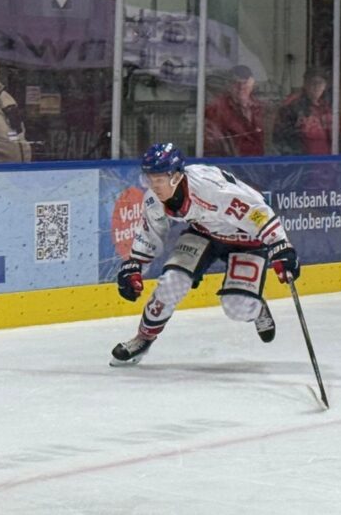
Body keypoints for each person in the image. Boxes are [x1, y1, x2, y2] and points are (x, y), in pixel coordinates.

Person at [110, 143, 300, 366]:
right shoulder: (154, 199)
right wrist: (134, 266)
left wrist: (281, 246)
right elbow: (152, 234)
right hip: (205, 233)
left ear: (176, 177)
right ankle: (143, 338)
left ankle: (256, 308)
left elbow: (258, 212)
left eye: (159, 179)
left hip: (247, 240)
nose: (153, 185)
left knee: (237, 306)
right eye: (149, 179)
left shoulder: (213, 190)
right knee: (172, 282)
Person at [204, 65, 265, 157]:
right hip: (230, 164)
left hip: (258, 165)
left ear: (252, 84)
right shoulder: (216, 109)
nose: (241, 87)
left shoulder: (260, 108)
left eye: (245, 83)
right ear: (228, 85)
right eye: (236, 83)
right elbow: (211, 145)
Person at [274, 68, 332, 155]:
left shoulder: (326, 107)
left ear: (325, 86)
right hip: (303, 162)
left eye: (320, 83)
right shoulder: (292, 106)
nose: (316, 86)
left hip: (325, 162)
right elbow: (281, 139)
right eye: (313, 82)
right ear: (305, 84)